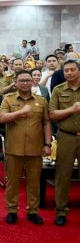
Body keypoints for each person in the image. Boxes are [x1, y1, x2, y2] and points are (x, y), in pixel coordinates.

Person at [0, 70, 51, 225]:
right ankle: (12, 211)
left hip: (35, 149)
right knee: (12, 182)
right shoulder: (8, 99)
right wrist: (20, 112)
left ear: (33, 82)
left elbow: (47, 122)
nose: (25, 83)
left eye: (28, 80)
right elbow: (2, 118)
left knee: (34, 182)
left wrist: (48, 144)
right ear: (15, 83)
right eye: (21, 80)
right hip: (14, 149)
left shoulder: (41, 101)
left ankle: (33, 211)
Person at [49, 59, 80, 226]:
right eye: (66, 70)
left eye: (72, 70)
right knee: (63, 175)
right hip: (66, 136)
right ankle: (61, 211)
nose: (69, 73)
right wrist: (71, 110)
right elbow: (52, 114)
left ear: (79, 71)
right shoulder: (58, 90)